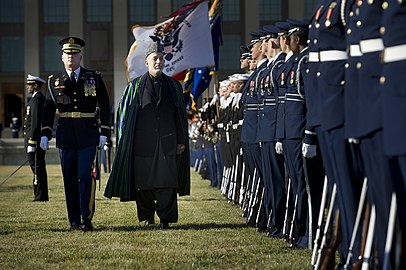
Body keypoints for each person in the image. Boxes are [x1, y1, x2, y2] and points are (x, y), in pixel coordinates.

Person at [104, 41, 190, 230]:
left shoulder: (174, 86)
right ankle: (147, 217)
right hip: (142, 144)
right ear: (146, 63)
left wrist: (181, 141)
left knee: (167, 183)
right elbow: (124, 118)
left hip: (168, 143)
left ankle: (165, 219)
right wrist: (128, 143)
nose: (158, 62)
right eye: (154, 59)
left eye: (160, 58)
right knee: (143, 185)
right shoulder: (134, 87)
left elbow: (181, 117)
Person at [40, 37, 111, 231]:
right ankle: (73, 221)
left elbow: (105, 105)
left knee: (84, 175)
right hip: (66, 135)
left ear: (80, 56)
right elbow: (48, 109)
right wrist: (45, 133)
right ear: (62, 57)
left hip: (88, 133)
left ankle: (86, 218)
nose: (71, 57)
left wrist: (104, 131)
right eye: (67, 54)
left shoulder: (93, 77)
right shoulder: (54, 81)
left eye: (74, 53)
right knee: (69, 178)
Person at [24, 74, 49, 202]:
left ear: (35, 86)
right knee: (37, 167)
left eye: (30, 85)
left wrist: (32, 142)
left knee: (37, 167)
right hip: (32, 139)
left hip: (34, 140)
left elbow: (35, 122)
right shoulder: (35, 99)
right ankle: (40, 194)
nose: (28, 87)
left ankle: (40, 195)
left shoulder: (38, 99)